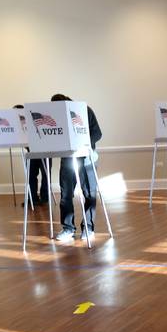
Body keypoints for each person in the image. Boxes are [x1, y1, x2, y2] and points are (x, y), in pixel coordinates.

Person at [50, 94, 102, 242]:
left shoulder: (84, 110)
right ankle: (68, 229)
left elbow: (97, 133)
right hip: (67, 160)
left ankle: (88, 228)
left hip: (86, 158)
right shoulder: (55, 117)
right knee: (66, 196)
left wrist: (83, 143)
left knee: (89, 194)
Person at [13, 104, 49, 207]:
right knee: (31, 175)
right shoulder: (19, 124)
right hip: (31, 151)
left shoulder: (32, 119)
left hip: (45, 150)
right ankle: (32, 198)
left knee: (46, 174)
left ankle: (45, 197)